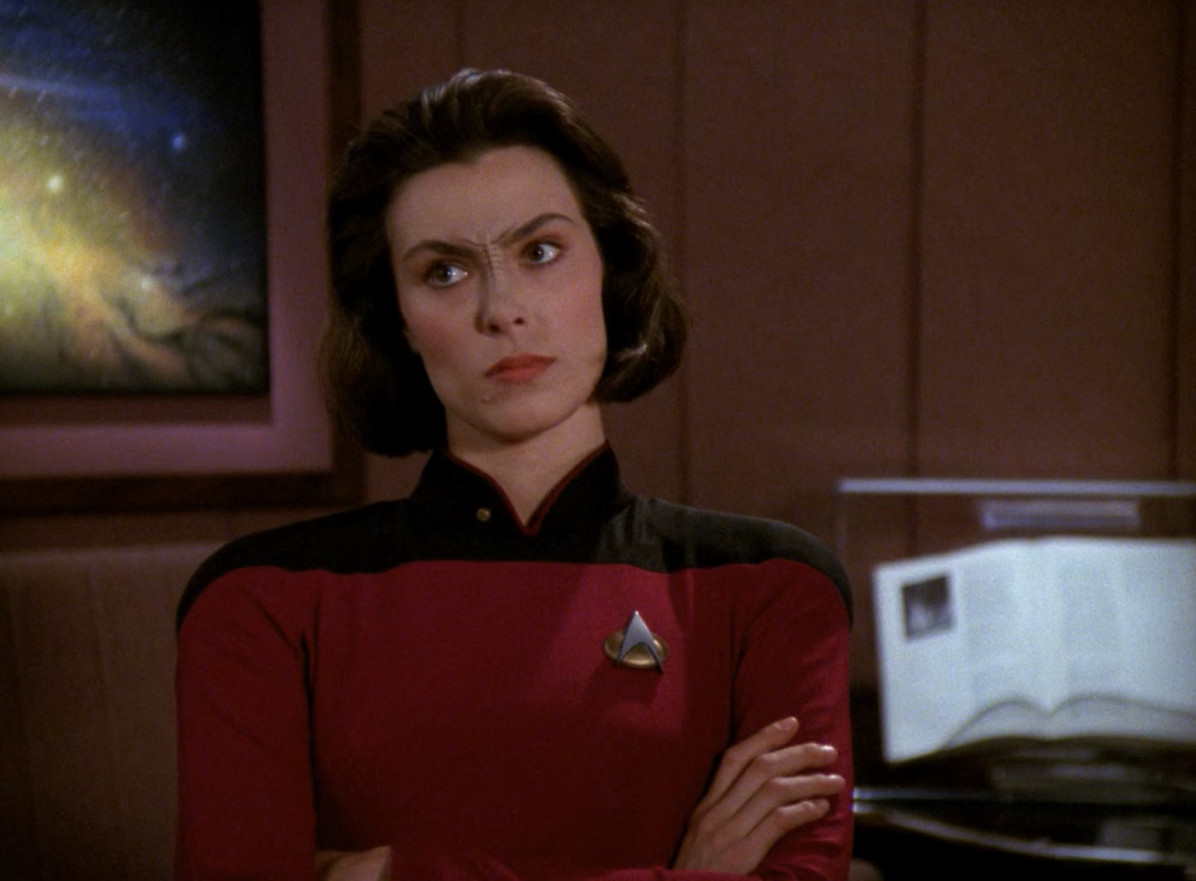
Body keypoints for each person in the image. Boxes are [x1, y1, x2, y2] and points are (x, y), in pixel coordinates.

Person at [174, 68, 854, 881]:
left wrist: (385, 873)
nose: (503, 308)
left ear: (610, 268)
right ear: (398, 320)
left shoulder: (771, 589)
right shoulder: (264, 601)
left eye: (541, 252)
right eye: (444, 272)